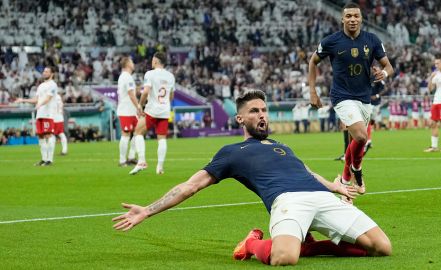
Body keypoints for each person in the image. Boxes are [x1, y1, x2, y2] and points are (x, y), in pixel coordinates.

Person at [112, 90, 392, 266]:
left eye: (264, 110)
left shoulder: (281, 145)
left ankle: (305, 245)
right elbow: (190, 186)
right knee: (284, 258)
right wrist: (147, 211)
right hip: (287, 202)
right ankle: (251, 244)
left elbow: (306, 172)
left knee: (381, 248)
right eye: (254, 111)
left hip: (322, 197)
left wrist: (336, 187)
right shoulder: (232, 152)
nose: (262, 115)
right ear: (240, 120)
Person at [308, 2, 394, 198]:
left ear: (361, 19)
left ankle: (346, 181)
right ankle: (356, 170)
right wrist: (313, 91)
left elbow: (389, 66)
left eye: (356, 16)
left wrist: (384, 74)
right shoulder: (331, 41)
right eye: (349, 16)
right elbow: (313, 61)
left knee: (356, 140)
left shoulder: (372, 40)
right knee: (362, 136)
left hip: (364, 98)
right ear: (342, 19)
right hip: (341, 96)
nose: (352, 19)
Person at [130, 52, 175, 175]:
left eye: (152, 59)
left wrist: (140, 105)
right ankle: (160, 167)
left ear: (155, 61)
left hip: (152, 110)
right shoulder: (171, 76)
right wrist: (165, 104)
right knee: (161, 138)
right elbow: (171, 95)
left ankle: (142, 161)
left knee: (138, 132)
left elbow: (145, 92)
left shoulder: (150, 74)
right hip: (164, 111)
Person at [15, 66, 58, 166]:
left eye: (47, 71)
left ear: (52, 74)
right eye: (44, 71)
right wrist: (23, 100)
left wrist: (40, 104)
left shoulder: (53, 85)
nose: (44, 73)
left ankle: (50, 160)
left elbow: (48, 98)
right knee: (41, 136)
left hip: (48, 113)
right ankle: (43, 159)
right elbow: (36, 99)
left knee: (48, 135)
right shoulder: (41, 86)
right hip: (40, 113)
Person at [117, 56, 140, 167]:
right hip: (126, 110)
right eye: (131, 61)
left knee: (138, 132)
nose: (133, 63)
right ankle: (122, 160)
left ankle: (131, 156)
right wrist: (139, 106)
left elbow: (132, 92)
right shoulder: (126, 77)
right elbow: (131, 95)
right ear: (127, 64)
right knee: (126, 134)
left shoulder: (125, 77)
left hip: (130, 110)